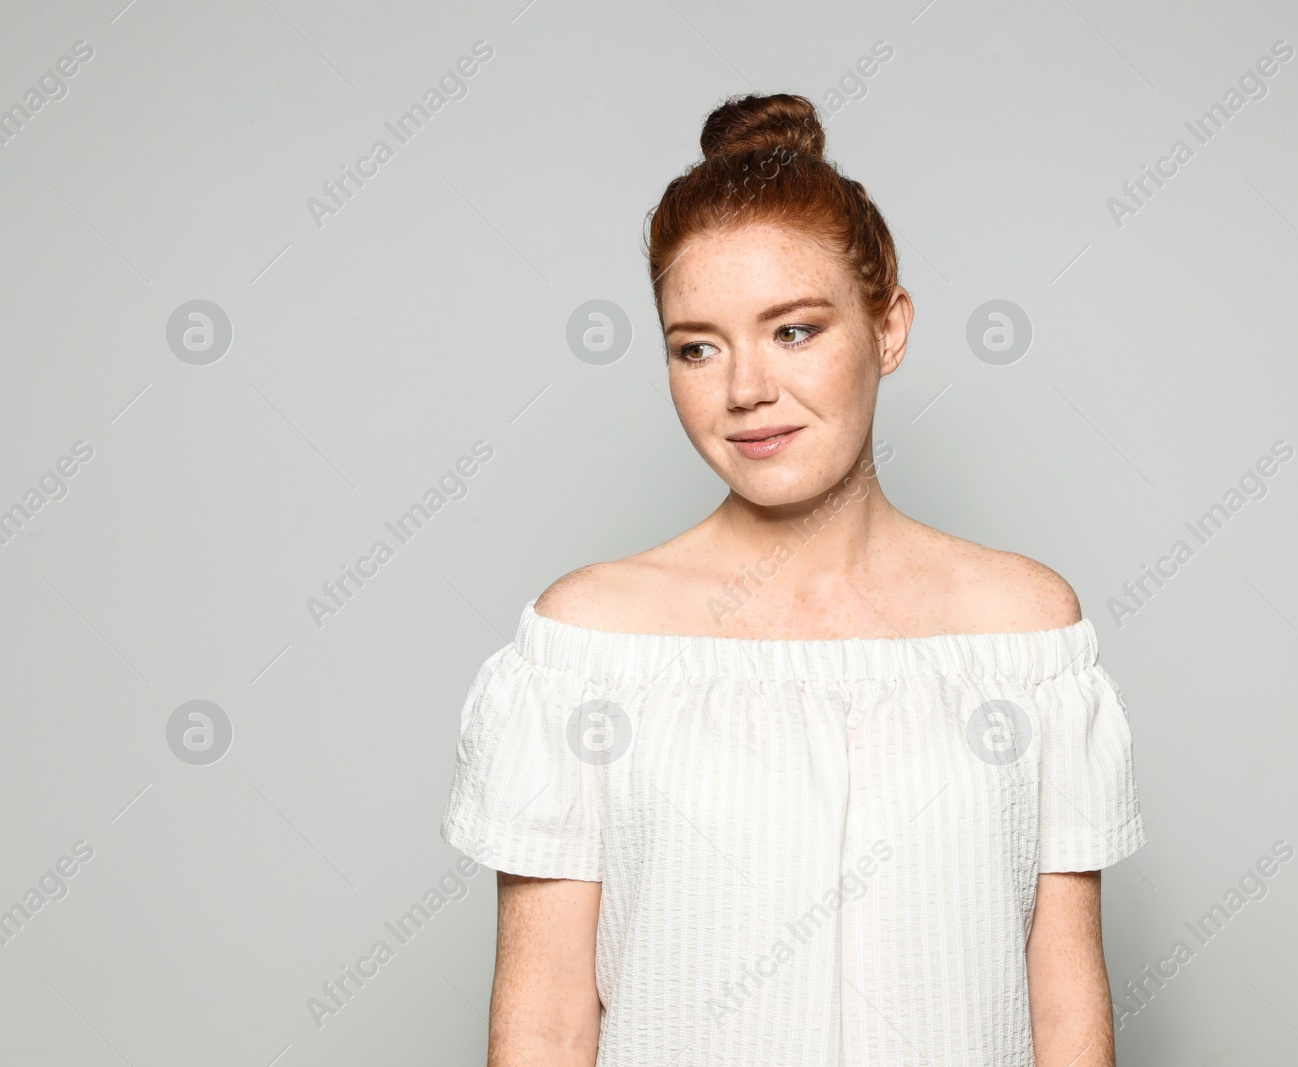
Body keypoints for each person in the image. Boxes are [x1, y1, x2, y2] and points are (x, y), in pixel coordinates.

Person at [441, 91, 1147, 1067]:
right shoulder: (587, 646)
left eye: (795, 330)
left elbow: (1063, 1009)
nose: (743, 389)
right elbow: (546, 1023)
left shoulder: (1024, 635)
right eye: (697, 345)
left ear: (888, 328)